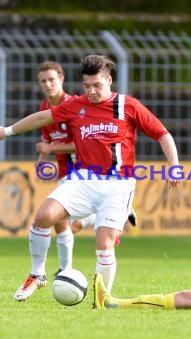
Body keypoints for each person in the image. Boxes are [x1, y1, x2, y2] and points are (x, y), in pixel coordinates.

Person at [0, 54, 181, 301]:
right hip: (83, 179)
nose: (92, 91)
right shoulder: (77, 105)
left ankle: (103, 299)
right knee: (44, 216)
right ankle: (38, 274)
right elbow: (43, 117)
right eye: (87, 86)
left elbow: (162, 134)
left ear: (109, 80)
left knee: (104, 244)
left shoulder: (128, 106)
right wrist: (7, 131)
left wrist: (174, 165)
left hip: (118, 183)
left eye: (97, 85)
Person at [34, 60, 137, 274]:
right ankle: (64, 270)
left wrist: (51, 148)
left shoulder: (76, 105)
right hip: (65, 169)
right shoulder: (44, 107)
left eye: (51, 79)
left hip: (82, 171)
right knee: (61, 223)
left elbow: (82, 143)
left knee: (68, 223)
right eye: (43, 81)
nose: (47, 84)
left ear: (61, 79)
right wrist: (45, 154)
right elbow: (50, 139)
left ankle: (64, 269)